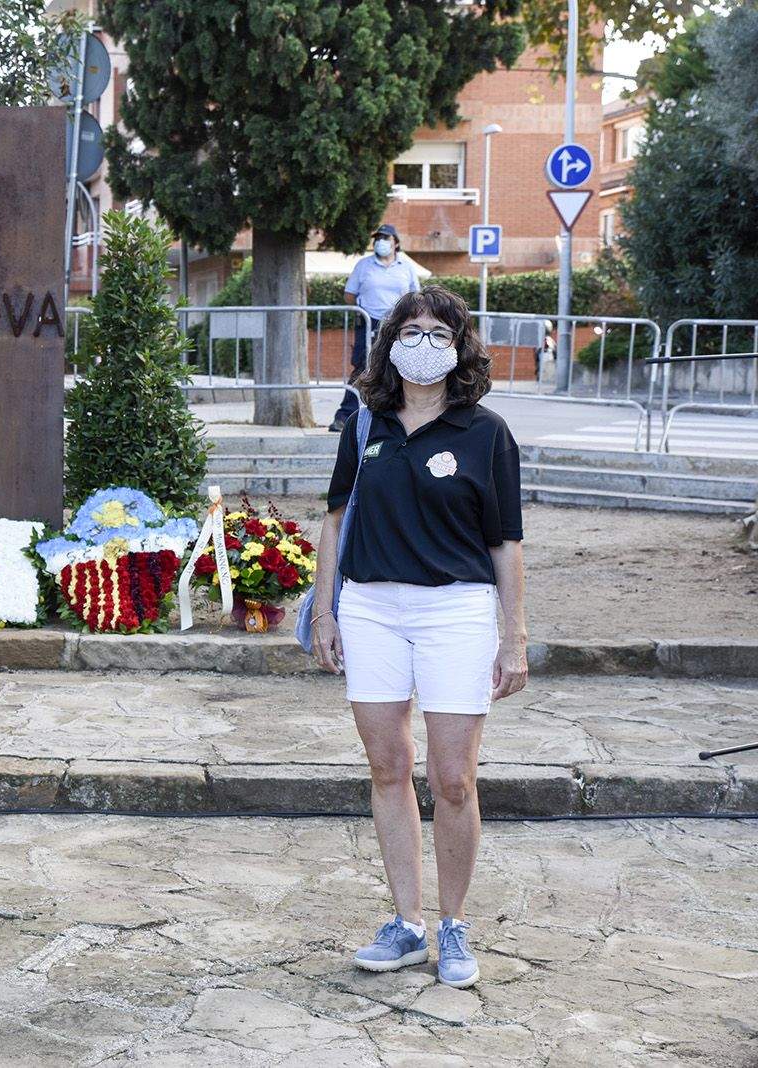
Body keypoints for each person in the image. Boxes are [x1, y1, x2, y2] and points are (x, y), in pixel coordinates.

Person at [309, 285, 528, 990]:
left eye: (441, 331)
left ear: (460, 346)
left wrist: (513, 635)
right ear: (390, 340)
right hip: (372, 606)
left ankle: (454, 925)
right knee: (387, 768)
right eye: (413, 329)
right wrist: (324, 610)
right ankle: (405, 923)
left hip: (456, 612)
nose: (424, 342)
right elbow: (336, 522)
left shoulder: (486, 433)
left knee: (453, 779)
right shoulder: (364, 425)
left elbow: (506, 543)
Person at [333, 223, 421, 432]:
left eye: (386, 238)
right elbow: (349, 294)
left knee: (401, 368)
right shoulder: (364, 265)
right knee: (362, 368)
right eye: (378, 238)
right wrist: (361, 311)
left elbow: (416, 296)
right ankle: (346, 415)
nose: (380, 242)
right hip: (369, 321)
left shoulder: (406, 267)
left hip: (398, 324)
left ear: (395, 243)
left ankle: (400, 415)